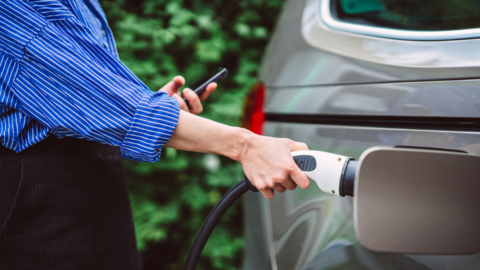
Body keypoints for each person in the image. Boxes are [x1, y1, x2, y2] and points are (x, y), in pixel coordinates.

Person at [0, 0, 309, 269]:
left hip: (86, 183)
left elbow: (87, 102)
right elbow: (100, 97)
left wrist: (159, 111)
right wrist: (247, 146)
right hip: (37, 199)